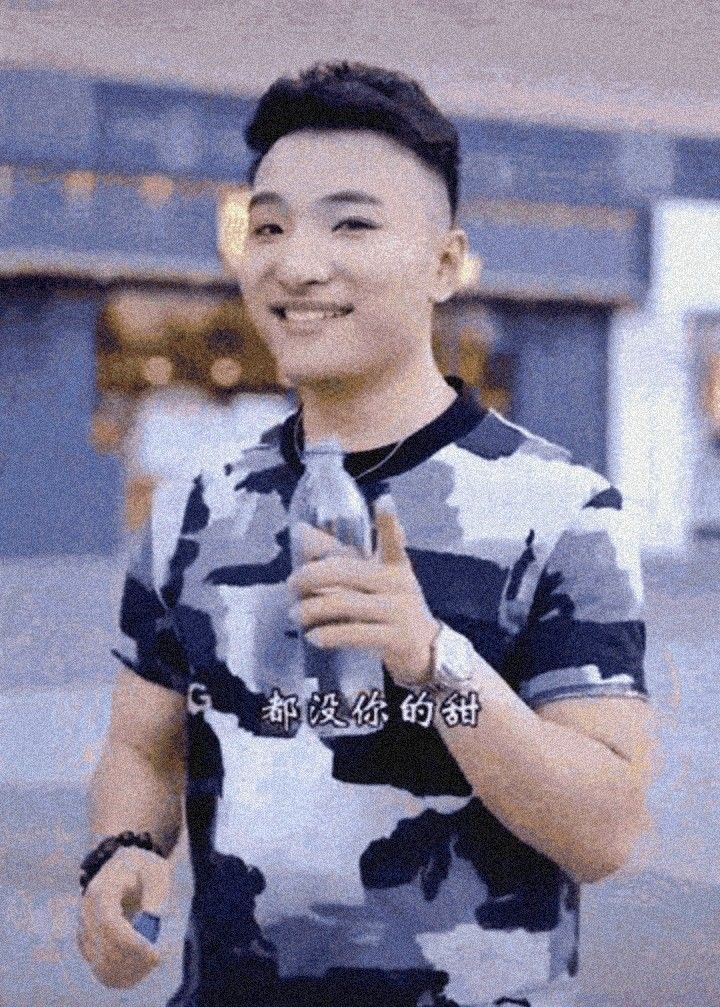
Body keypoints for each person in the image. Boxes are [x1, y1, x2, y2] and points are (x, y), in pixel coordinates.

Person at [77, 61, 656, 1007]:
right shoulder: (195, 511)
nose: (297, 263)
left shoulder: (561, 511)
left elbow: (604, 832)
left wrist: (436, 664)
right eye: (270, 226)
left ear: (445, 264)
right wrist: (125, 848)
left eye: (351, 224)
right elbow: (144, 747)